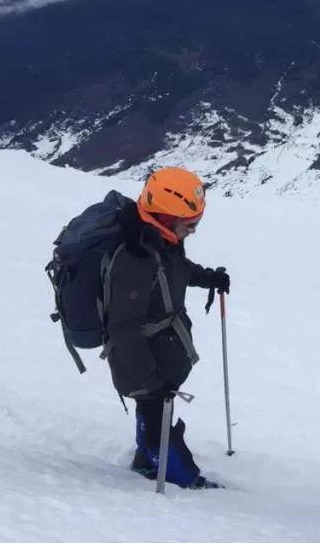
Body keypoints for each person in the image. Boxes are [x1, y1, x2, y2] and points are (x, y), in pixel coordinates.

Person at [105, 166, 230, 488]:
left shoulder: (155, 240)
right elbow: (124, 330)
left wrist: (207, 278)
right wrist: (152, 379)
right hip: (142, 361)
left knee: (155, 411)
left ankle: (146, 459)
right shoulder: (134, 260)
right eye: (191, 224)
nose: (194, 230)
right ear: (166, 217)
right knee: (155, 413)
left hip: (159, 351)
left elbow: (174, 270)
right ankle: (179, 477)